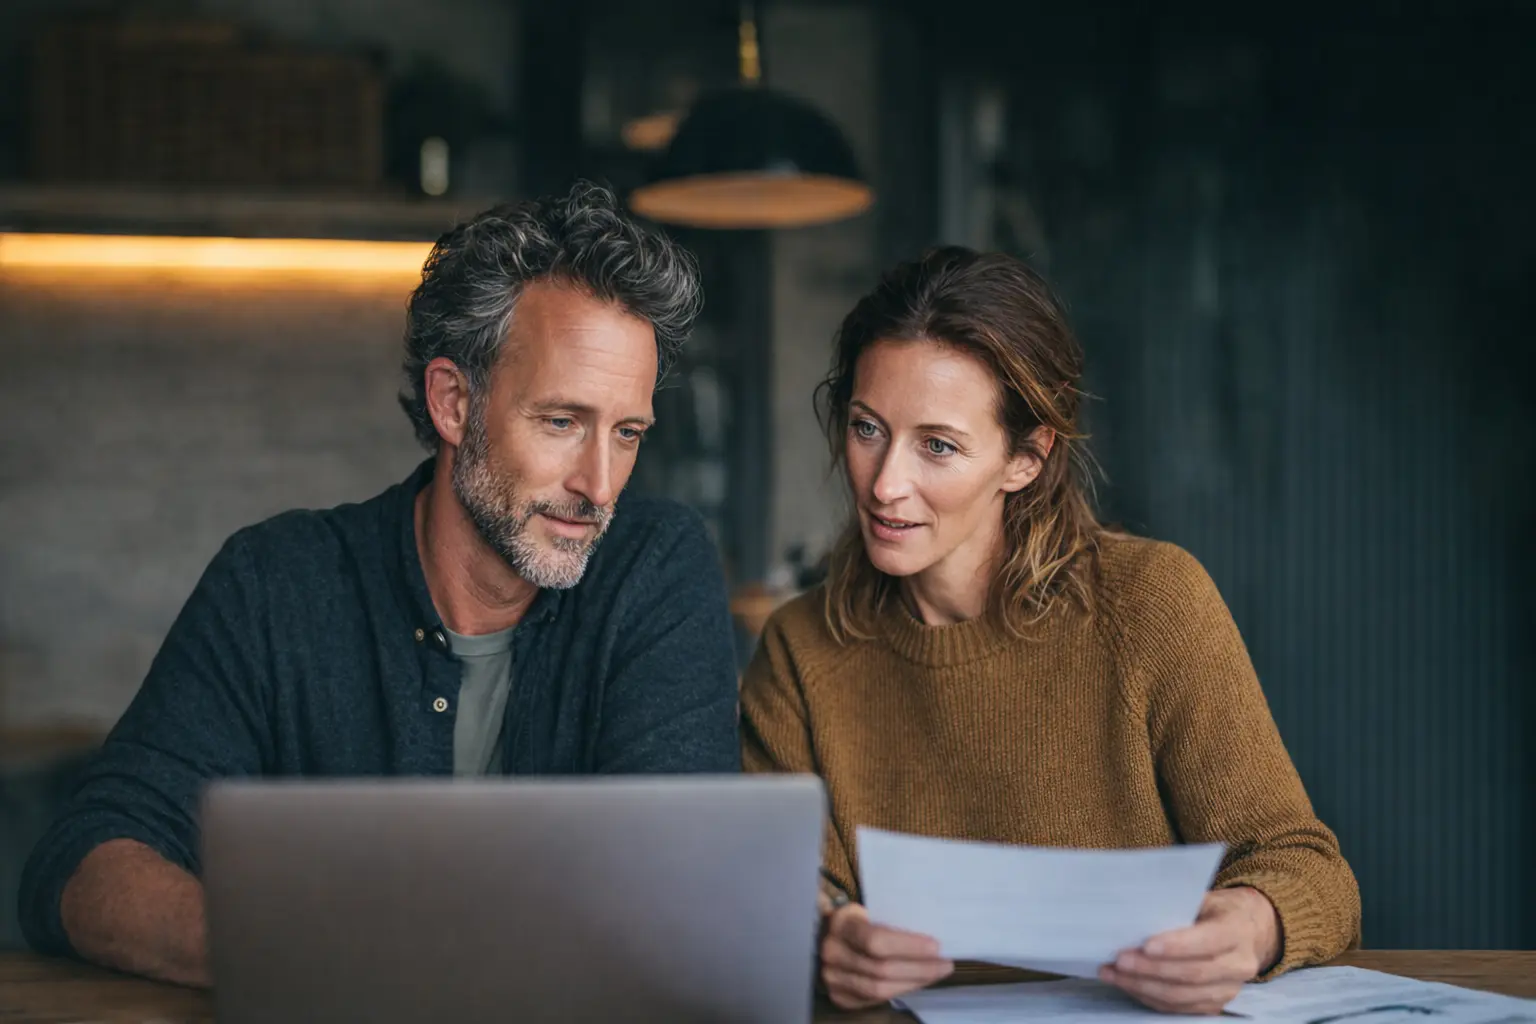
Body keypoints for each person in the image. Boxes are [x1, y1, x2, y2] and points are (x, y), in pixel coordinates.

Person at [20, 181, 742, 986]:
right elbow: (88, 860)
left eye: (628, 433)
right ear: (453, 403)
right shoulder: (277, 585)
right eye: (562, 422)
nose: (601, 484)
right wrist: (298, 956)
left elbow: (677, 887)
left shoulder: (654, 566)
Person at [740, 246, 1361, 1015]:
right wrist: (827, 937)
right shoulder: (802, 650)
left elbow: (1307, 866)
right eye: (869, 428)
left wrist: (1249, 925)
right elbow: (792, 900)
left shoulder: (1150, 604)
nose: (885, 482)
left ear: (1026, 460)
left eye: (938, 445)